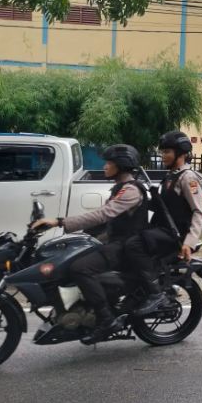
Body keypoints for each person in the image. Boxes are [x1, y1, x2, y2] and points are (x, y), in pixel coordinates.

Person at [32, 145, 148, 344]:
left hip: (124, 246)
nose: (104, 167)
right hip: (114, 241)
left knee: (81, 268)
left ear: (121, 165)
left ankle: (106, 320)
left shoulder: (131, 190)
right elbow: (108, 222)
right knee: (72, 257)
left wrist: (60, 222)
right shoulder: (120, 188)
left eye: (109, 163)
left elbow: (103, 214)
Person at [124, 131, 202, 315]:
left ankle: (155, 294)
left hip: (176, 235)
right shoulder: (170, 176)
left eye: (167, 151)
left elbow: (198, 212)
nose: (163, 156)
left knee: (134, 245)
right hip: (162, 229)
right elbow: (164, 207)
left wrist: (189, 243)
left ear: (181, 153)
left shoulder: (188, 178)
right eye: (162, 152)